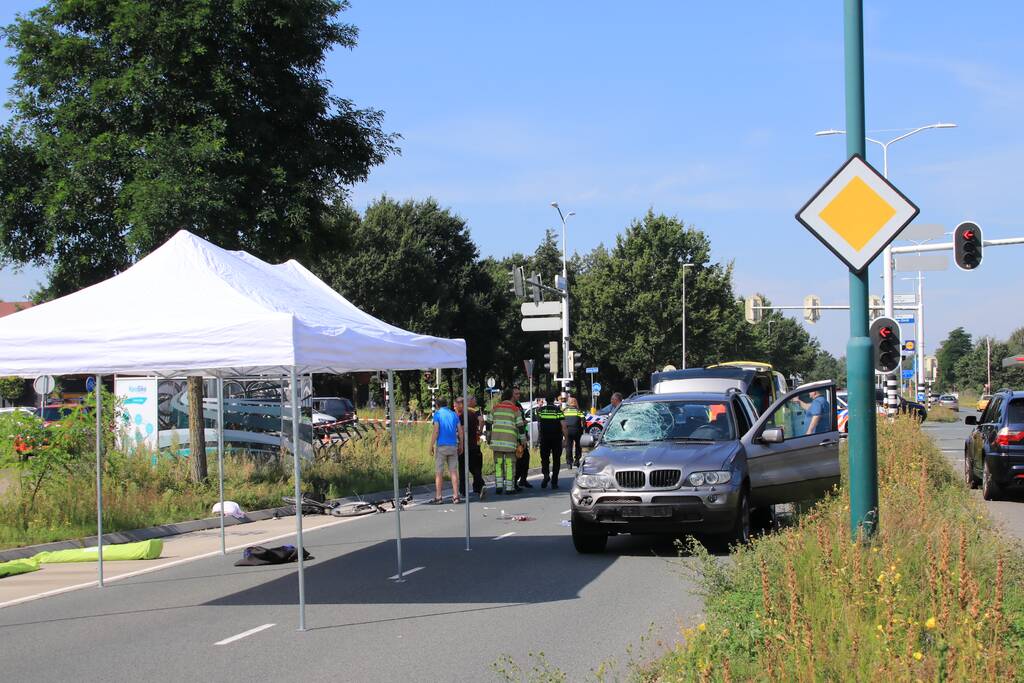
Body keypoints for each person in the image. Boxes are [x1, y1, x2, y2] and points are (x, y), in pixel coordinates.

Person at [490, 388, 525, 494]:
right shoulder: (515, 409)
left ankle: (499, 487)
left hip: (496, 441)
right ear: (511, 396)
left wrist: (488, 436)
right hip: (510, 442)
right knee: (510, 464)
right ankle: (510, 488)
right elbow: (520, 426)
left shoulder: (495, 408)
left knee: (498, 463)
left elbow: (488, 422)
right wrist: (523, 440)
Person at [429, 397, 462, 503]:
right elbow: (460, 431)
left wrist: (431, 445)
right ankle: (456, 496)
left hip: (441, 446)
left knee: (439, 472)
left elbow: (436, 431)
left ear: (437, 405)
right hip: (453, 446)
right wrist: (461, 445)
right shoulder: (454, 414)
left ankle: (439, 497)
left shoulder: (437, 415)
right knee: (453, 472)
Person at [455, 396, 485, 499]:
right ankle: (480, 486)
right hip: (474, 445)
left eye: (457, 404)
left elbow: (461, 432)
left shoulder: (463, 415)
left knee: (463, 469)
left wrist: (460, 445)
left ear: (462, 404)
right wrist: (480, 431)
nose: (456, 406)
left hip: (465, 446)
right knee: (475, 467)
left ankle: (463, 490)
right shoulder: (473, 414)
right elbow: (481, 421)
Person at [537, 391, 567, 488]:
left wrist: (540, 405)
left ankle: (546, 475)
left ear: (546, 400)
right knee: (556, 459)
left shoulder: (541, 410)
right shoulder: (558, 411)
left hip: (544, 438)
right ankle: (554, 481)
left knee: (545, 458)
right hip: (556, 439)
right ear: (554, 400)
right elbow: (564, 426)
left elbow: (539, 422)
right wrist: (566, 439)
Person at [512, 385, 533, 489]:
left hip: (522, 436)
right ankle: (515, 481)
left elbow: (523, 420)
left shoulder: (519, 405)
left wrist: (526, 433)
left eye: (519, 393)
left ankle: (523, 480)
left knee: (525, 458)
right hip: (515, 438)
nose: (518, 395)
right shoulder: (512, 406)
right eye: (516, 394)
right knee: (519, 461)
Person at [562, 396, 585, 468]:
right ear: (575, 403)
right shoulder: (578, 411)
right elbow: (584, 420)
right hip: (577, 430)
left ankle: (569, 462)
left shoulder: (564, 411)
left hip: (567, 431)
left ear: (569, 403)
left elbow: (561, 420)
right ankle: (577, 460)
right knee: (578, 445)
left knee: (568, 446)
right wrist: (584, 428)